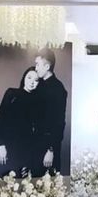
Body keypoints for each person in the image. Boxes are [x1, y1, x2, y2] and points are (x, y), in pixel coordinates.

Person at [0, 67, 41, 178]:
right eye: (29, 77)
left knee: (22, 187)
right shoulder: (11, 93)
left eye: (36, 80)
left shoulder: (38, 101)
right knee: (3, 184)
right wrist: (1, 146)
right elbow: (0, 120)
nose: (32, 82)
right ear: (24, 77)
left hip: (26, 149)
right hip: (8, 146)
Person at [34, 47, 67, 175]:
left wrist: (50, 150)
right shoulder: (38, 84)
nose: (36, 68)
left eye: (37, 64)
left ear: (47, 67)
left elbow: (59, 122)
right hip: (35, 143)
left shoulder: (58, 89)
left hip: (48, 146)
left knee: (49, 185)